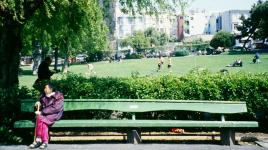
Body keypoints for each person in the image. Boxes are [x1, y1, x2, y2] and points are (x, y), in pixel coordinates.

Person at [29, 83, 64, 149]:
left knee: (40, 118)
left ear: (51, 89)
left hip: (55, 114)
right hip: (46, 114)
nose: (44, 89)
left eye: (46, 88)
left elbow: (56, 108)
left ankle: (38, 140)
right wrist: (38, 103)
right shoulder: (43, 96)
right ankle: (44, 142)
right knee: (42, 121)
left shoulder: (58, 96)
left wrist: (41, 112)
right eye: (44, 88)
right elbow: (41, 104)